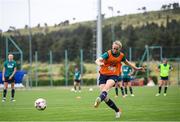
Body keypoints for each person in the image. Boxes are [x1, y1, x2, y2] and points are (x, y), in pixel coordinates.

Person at [94, 40, 144, 118]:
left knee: (106, 89)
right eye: (113, 48)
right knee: (105, 97)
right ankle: (117, 110)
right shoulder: (108, 53)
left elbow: (127, 63)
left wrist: (136, 68)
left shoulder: (121, 56)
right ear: (112, 47)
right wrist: (99, 63)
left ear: (119, 49)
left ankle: (99, 99)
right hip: (103, 75)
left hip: (113, 75)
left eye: (116, 49)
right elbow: (97, 60)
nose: (114, 50)